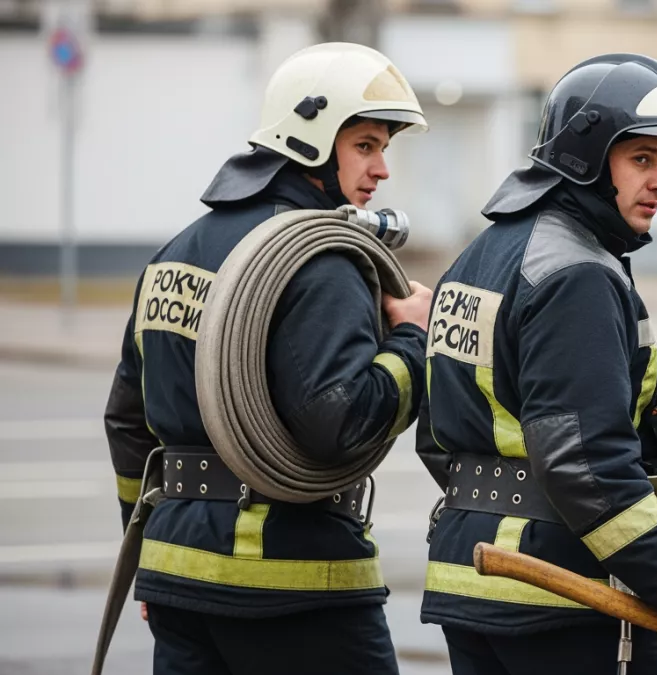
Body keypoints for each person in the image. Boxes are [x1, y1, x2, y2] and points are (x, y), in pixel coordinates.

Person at [103, 42, 433, 675]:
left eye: (383, 148)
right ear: (311, 141)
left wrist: (143, 546)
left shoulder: (175, 252)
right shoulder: (321, 258)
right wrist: (411, 340)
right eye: (365, 145)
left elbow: (127, 422)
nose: (382, 169)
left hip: (176, 578)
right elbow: (341, 422)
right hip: (291, 581)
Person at [415, 53, 657, 675]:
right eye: (642, 158)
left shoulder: (479, 257)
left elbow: (438, 435)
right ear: (585, 158)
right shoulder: (578, 274)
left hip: (470, 578)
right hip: (560, 594)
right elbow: (585, 463)